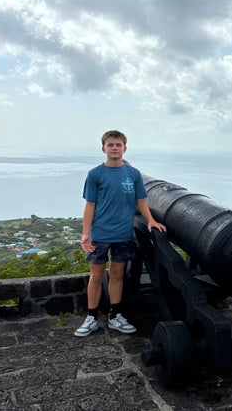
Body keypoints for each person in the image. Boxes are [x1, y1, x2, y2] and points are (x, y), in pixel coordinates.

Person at [74, 130, 166, 337]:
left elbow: (141, 201)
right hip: (99, 234)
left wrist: (151, 220)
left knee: (117, 275)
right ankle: (91, 318)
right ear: (103, 148)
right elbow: (90, 205)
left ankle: (115, 316)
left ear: (125, 148)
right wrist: (85, 233)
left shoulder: (133, 174)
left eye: (118, 145)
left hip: (122, 234)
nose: (114, 148)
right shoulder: (95, 174)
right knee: (96, 276)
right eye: (110, 145)